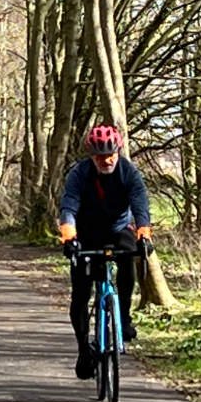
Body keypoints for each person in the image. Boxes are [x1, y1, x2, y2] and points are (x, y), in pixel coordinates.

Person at [58, 123, 153, 379]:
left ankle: (123, 316)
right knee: (80, 292)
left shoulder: (129, 172)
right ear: (92, 156)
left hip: (118, 228)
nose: (106, 160)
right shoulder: (80, 174)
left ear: (118, 151)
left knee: (130, 255)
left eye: (110, 155)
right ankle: (83, 350)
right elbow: (69, 205)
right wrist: (69, 237)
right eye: (100, 156)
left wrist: (144, 234)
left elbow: (141, 206)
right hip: (87, 233)